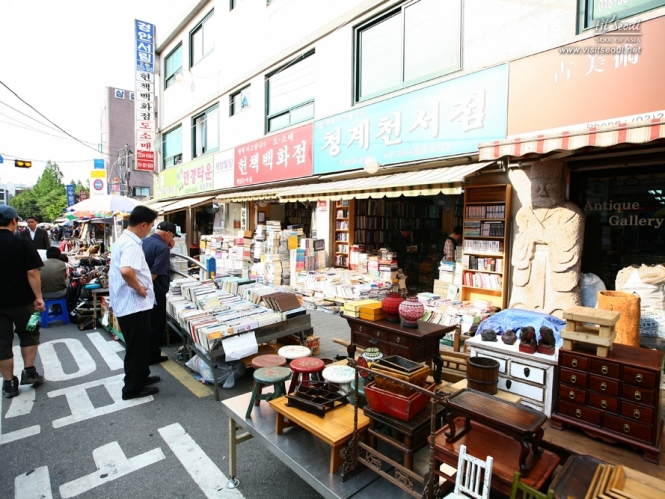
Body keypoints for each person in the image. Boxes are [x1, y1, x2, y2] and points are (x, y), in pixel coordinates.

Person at [510, 160, 584, 317]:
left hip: (556, 269)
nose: (542, 192)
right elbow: (520, 241)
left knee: (561, 310)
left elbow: (569, 241)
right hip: (530, 265)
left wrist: (540, 235)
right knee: (521, 306)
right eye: (537, 187)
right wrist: (536, 237)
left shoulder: (571, 213)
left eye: (550, 187)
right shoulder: (524, 213)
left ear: (561, 186)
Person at [109, 205, 160, 400]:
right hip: (133, 305)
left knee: (139, 345)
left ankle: (141, 377)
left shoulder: (124, 240)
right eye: (151, 226)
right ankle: (132, 388)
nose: (151, 230)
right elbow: (126, 271)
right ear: (143, 224)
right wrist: (139, 288)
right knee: (136, 348)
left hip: (130, 304)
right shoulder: (130, 244)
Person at [0, 206, 46, 398]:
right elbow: (32, 272)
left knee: (2, 343)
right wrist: (39, 297)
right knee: (29, 334)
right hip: (24, 302)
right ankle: (29, 371)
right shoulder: (22, 243)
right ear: (13, 221)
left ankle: (9, 383)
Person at [142, 221, 178, 365]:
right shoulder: (162, 248)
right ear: (168, 233)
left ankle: (147, 353)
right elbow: (154, 273)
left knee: (147, 324)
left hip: (142, 291)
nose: (172, 240)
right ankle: (153, 355)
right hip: (155, 291)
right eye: (172, 236)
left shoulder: (144, 242)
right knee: (157, 324)